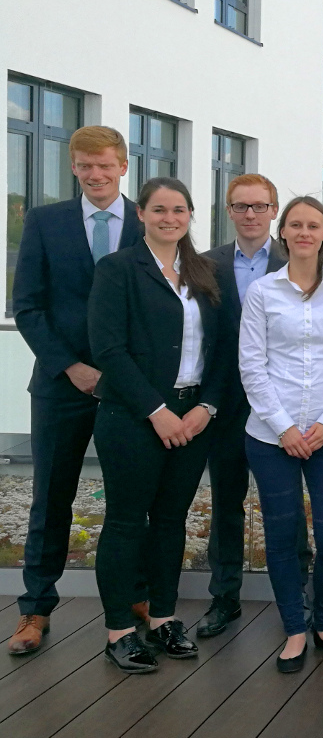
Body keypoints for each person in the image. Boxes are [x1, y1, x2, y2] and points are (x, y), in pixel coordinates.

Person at [89, 177, 233, 673]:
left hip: (194, 418)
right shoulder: (117, 270)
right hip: (133, 417)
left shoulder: (207, 272)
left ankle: (166, 617)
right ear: (141, 215)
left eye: (179, 209)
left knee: (171, 522)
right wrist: (157, 411)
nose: (170, 217)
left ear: (191, 215)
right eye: (159, 209)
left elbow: (225, 348)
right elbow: (108, 349)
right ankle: (120, 630)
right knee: (127, 523)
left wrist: (207, 406)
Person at [10, 126, 142, 655]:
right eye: (85, 166)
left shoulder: (151, 219)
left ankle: (135, 597)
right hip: (61, 385)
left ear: (123, 166)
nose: (95, 175)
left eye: (105, 165)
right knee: (51, 499)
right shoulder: (44, 222)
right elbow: (28, 307)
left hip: (129, 388)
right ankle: (35, 610)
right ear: (73, 167)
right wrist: (71, 367)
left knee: (131, 500)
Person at [240, 196, 323, 673]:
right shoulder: (262, 292)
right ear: (283, 233)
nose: (305, 232)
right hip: (272, 437)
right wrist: (285, 427)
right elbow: (251, 365)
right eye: (296, 224)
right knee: (283, 534)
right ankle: (294, 627)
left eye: (314, 225)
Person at [198, 173, 311, 639]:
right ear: (229, 211)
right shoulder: (205, 265)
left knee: (285, 504)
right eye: (241, 206)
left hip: (282, 407)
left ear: (274, 211)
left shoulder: (300, 262)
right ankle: (224, 597)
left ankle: (298, 594)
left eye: (260, 206)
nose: (250, 214)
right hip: (223, 405)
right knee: (226, 502)